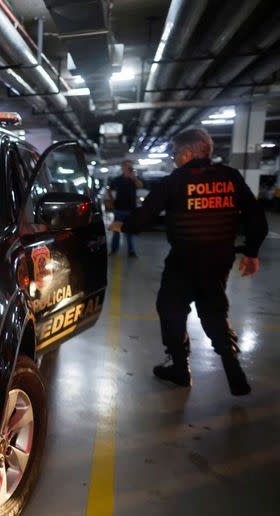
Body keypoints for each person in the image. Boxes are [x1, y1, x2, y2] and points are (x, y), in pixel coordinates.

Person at [109, 129, 268, 396]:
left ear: (186, 154)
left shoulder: (176, 180)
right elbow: (257, 220)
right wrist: (251, 253)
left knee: (170, 309)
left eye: (174, 154)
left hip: (184, 259)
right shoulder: (230, 177)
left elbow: (146, 215)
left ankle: (180, 369)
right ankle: (233, 370)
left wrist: (123, 225)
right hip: (220, 260)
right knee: (214, 311)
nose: (173, 159)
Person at [107, 159, 142, 257]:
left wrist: (134, 178)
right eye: (127, 166)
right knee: (116, 231)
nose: (128, 168)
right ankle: (114, 250)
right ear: (123, 167)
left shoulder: (134, 179)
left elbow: (140, 185)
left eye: (130, 166)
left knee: (130, 231)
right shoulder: (117, 180)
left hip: (131, 210)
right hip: (119, 209)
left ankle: (131, 251)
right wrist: (112, 201)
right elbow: (110, 190)